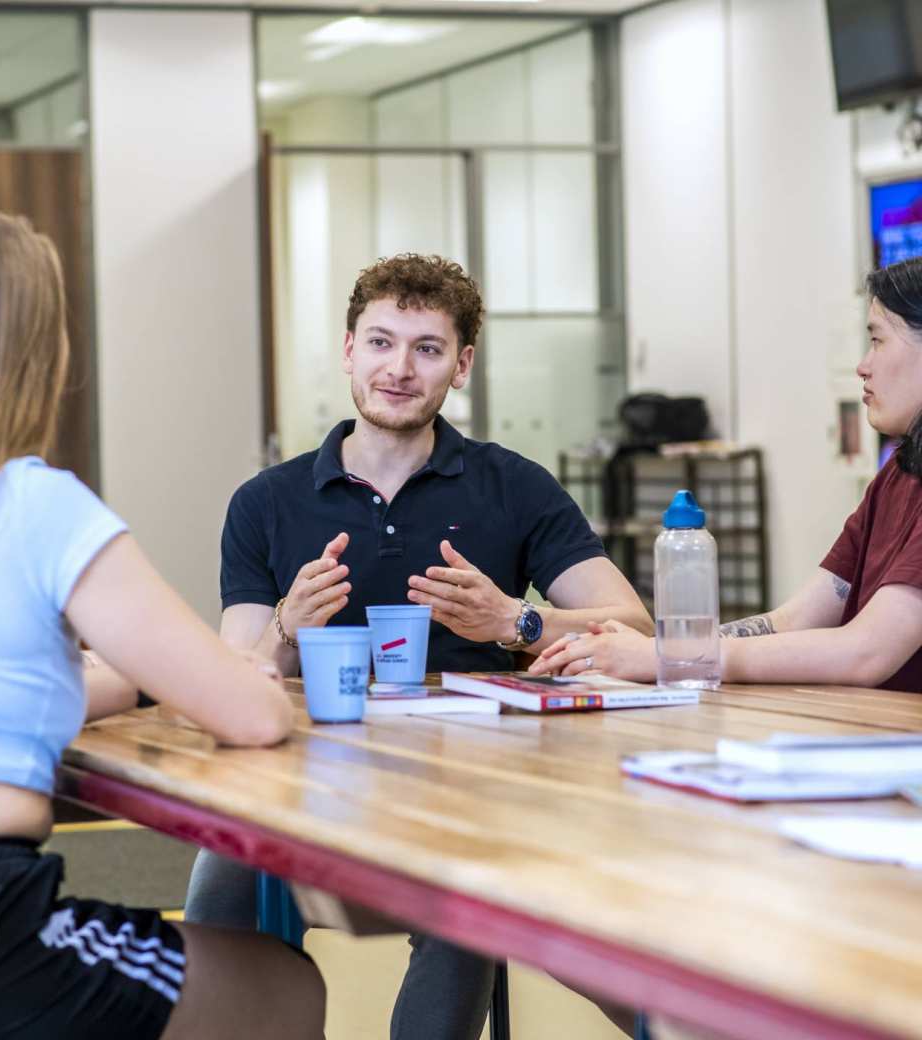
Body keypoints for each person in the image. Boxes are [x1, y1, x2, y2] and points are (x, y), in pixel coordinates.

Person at [0, 207, 325, 1040]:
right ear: (37, 355)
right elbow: (255, 715)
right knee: (280, 984)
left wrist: (140, 676)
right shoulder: (37, 506)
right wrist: (230, 680)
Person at [185, 253, 652, 1040]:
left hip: (464, 788)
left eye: (427, 348)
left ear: (461, 364)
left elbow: (629, 624)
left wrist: (516, 620)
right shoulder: (266, 502)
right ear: (347, 350)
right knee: (219, 898)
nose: (398, 369)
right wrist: (287, 626)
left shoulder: (514, 486)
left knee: (461, 897)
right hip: (307, 790)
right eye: (379, 342)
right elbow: (242, 670)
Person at [530, 255, 922, 695]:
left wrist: (674, 656)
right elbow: (792, 620)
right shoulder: (897, 477)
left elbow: (865, 652)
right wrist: (662, 647)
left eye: (878, 341)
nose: (863, 366)